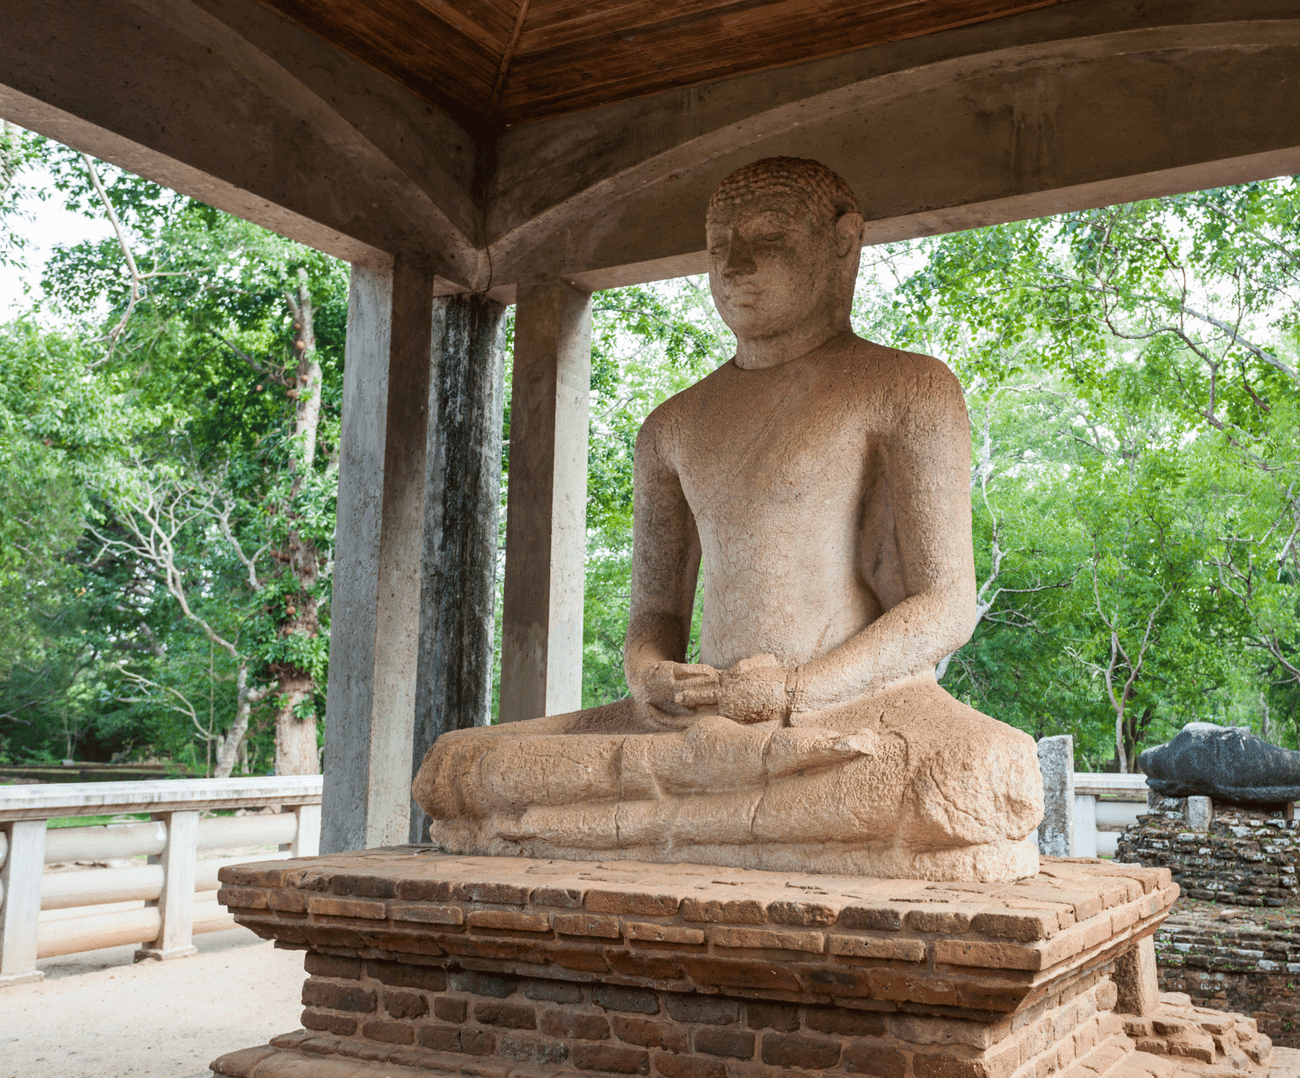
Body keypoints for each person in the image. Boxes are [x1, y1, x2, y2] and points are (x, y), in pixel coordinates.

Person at [413, 157, 1042, 882]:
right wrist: (651, 678)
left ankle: (655, 813)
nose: (735, 266)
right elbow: (655, 612)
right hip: (689, 725)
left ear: (844, 243)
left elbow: (943, 605)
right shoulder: (673, 427)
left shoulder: (907, 389)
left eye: (768, 239)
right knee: (459, 765)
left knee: (972, 772)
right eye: (718, 248)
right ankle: (721, 802)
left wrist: (797, 692)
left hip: (845, 714)